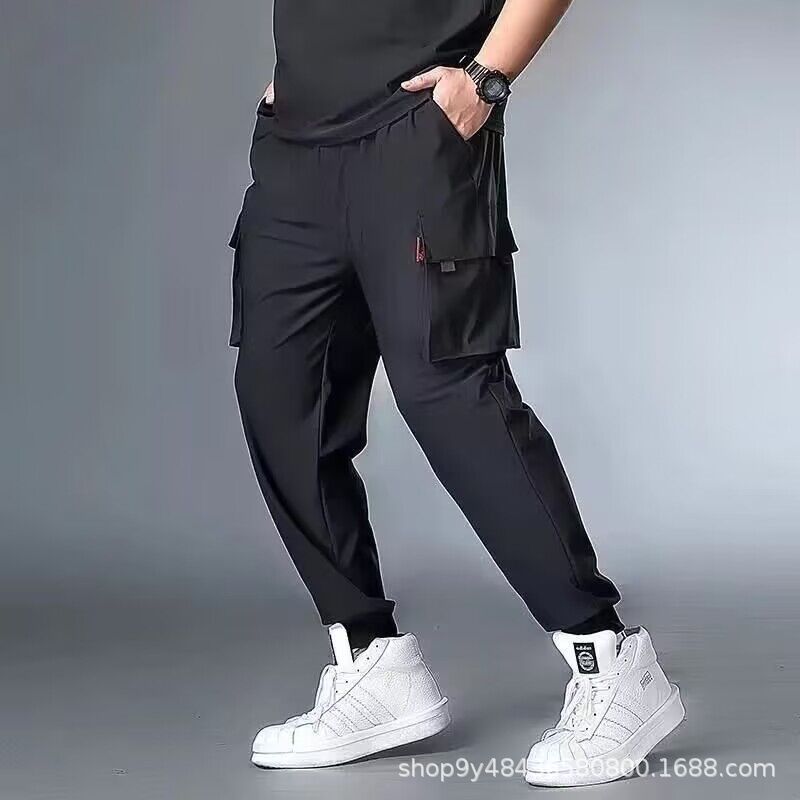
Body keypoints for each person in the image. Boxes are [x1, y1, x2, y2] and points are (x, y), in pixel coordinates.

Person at [227, 0, 684, 786]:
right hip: (296, 147)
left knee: (449, 394)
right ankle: (370, 660)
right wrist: (292, 79)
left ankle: (610, 661)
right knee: (280, 396)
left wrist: (485, 80)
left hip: (417, 131)